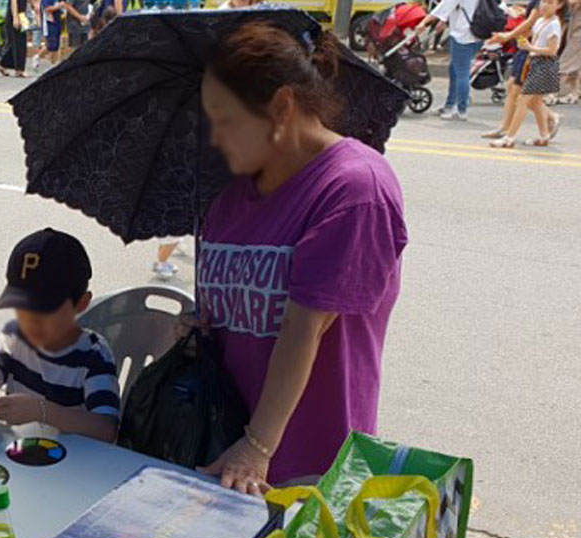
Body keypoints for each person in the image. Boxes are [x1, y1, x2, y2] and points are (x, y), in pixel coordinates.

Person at [187, 22, 407, 493]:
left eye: (225, 120)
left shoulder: (354, 189)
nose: (215, 138)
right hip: (225, 457)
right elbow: (232, 320)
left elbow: (303, 327)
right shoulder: (229, 199)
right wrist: (197, 331)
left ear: (282, 107)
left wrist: (256, 448)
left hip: (305, 471)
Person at [0, 229, 121, 442]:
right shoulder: (15, 338)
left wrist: (42, 411)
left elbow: (106, 428)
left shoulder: (94, 355)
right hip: (19, 450)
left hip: (72, 461)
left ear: (82, 303)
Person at [489, 0, 564, 147]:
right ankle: (544, 135)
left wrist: (531, 48)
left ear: (558, 6)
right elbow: (531, 35)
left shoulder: (554, 25)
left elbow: (552, 50)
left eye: (550, 2)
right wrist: (517, 40)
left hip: (545, 64)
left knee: (523, 99)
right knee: (535, 101)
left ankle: (509, 137)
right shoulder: (541, 21)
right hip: (533, 61)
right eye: (543, 2)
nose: (544, 5)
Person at [482, 0, 541, 139]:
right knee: (514, 89)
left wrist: (508, 36)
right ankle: (505, 128)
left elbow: (531, 22)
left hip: (531, 50)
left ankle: (510, 133)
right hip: (525, 47)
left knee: (522, 95)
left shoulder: (545, 3)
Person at [416, 0, 483, 121]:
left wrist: (423, 23)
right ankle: (450, 105)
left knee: (462, 73)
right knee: (454, 70)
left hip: (462, 36)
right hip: (478, 35)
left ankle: (461, 110)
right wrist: (444, 20)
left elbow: (444, 6)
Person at [551, 0, 581, 104]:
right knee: (575, 63)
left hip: (578, 30)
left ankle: (551, 92)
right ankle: (574, 93)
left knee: (566, 60)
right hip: (574, 26)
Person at [30, 0, 64, 71]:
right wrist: (57, 7)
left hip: (57, 22)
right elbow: (47, 9)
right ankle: (37, 57)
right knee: (51, 45)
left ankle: (53, 65)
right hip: (49, 23)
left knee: (56, 46)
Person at [0, 0, 28, 77]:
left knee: (21, 41)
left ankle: (3, 64)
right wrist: (15, 17)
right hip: (14, 15)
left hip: (22, 15)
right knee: (17, 42)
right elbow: (13, 2)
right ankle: (19, 69)